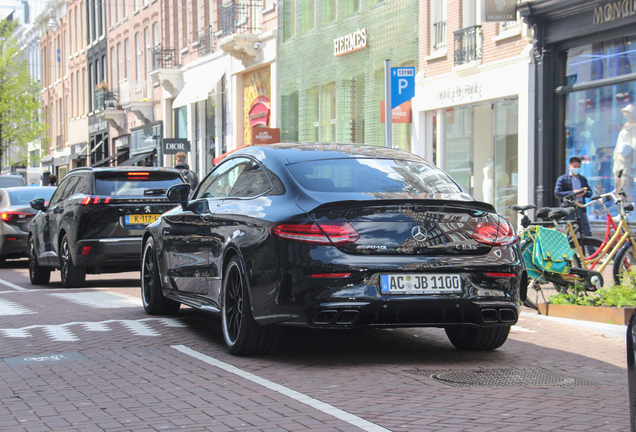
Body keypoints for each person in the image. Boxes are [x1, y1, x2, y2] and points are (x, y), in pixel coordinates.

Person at [555, 156, 593, 237]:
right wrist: (573, 193)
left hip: (580, 208)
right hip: (568, 209)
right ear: (569, 167)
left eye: (578, 167)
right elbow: (557, 193)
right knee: (568, 232)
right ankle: (567, 248)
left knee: (586, 231)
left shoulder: (582, 179)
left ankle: (591, 249)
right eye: (575, 167)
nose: (577, 169)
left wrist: (584, 193)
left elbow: (590, 193)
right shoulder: (563, 179)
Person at [613, 104, 636, 201]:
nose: (624, 115)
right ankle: (620, 211)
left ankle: (627, 210)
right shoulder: (625, 127)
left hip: (627, 162)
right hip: (619, 161)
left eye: (626, 112)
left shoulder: (634, 128)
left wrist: (634, 163)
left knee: (625, 186)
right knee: (618, 185)